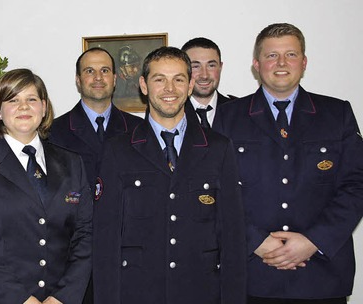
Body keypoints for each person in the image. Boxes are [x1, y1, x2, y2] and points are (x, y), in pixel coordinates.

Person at [214, 23, 363, 304]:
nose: (281, 63)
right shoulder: (228, 117)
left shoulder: (337, 113)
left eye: (291, 55)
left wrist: (313, 241)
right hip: (253, 273)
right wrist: (255, 241)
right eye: (271, 56)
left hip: (322, 276)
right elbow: (217, 190)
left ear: (304, 62)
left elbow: (356, 185)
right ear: (256, 65)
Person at [93, 46, 246, 304]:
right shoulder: (118, 150)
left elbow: (233, 238)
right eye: (159, 79)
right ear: (143, 85)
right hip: (138, 294)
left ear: (190, 86)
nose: (169, 89)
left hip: (201, 292)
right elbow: (105, 241)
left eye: (178, 79)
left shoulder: (219, 148)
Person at [0, 68, 92, 304]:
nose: (24, 107)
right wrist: (20, 299)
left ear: (44, 107)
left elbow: (85, 234)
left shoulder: (72, 163)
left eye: (31, 99)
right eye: (13, 100)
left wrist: (62, 296)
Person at [49, 47, 144, 186]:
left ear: (115, 79)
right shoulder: (54, 131)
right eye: (89, 71)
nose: (98, 77)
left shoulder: (138, 129)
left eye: (105, 70)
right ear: (78, 80)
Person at [181, 37, 232, 129]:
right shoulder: (171, 112)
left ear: (220, 67)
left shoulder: (239, 110)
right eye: (196, 66)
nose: (204, 75)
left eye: (211, 66)